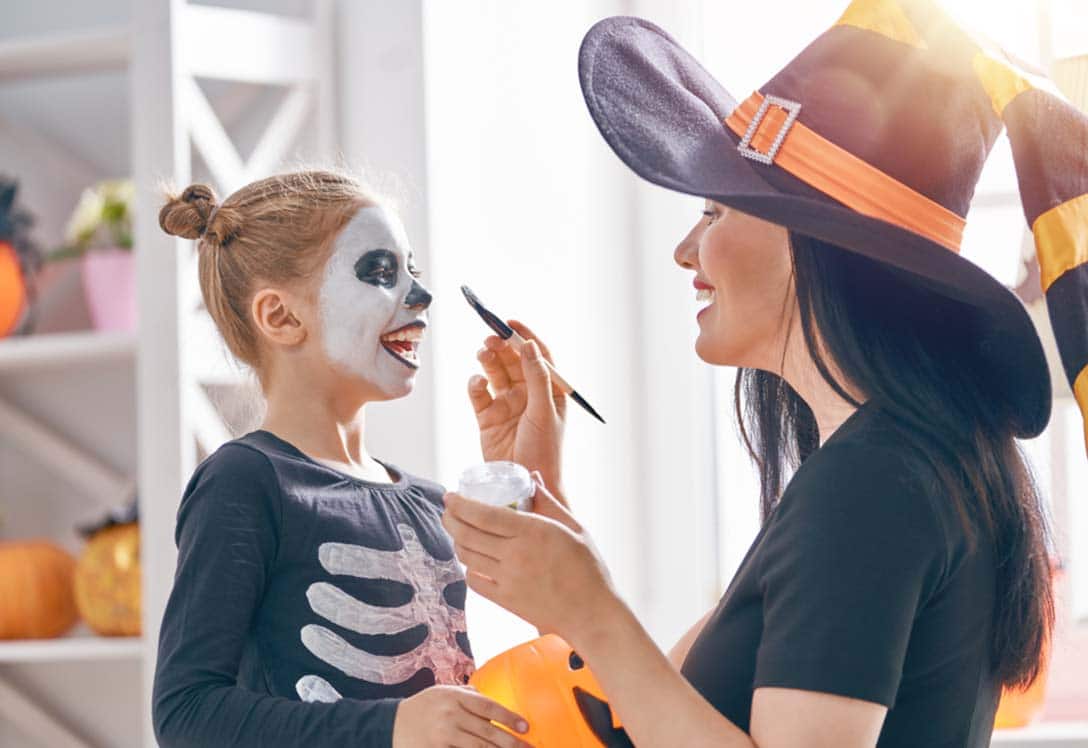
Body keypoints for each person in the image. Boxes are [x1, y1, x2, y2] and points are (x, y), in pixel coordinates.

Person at [443, 1, 1088, 746]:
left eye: (715, 212)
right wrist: (548, 512)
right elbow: (665, 709)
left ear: (818, 244)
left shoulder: (871, 481)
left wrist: (594, 613)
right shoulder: (903, 459)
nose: (687, 250)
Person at [152, 171, 531, 748]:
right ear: (281, 317)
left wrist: (531, 469)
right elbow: (186, 713)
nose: (420, 296)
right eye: (380, 273)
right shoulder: (246, 482)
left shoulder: (431, 502)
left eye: (413, 272)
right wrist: (392, 726)